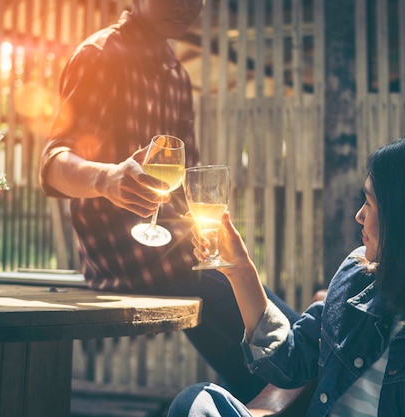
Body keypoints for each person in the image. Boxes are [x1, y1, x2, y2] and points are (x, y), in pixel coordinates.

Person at [39, 0, 299, 403]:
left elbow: (186, 175)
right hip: (127, 260)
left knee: (282, 356)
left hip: (180, 252)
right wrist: (106, 179)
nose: (184, 6)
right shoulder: (102, 55)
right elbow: (52, 165)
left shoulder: (175, 72)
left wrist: (209, 231)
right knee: (287, 364)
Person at [169, 136, 405, 417]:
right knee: (196, 402)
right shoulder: (358, 274)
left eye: (369, 203)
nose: (358, 216)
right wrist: (240, 268)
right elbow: (290, 365)